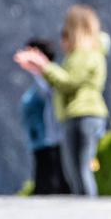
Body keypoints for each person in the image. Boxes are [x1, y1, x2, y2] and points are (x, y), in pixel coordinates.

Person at [14, 5, 109, 197]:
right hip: (77, 115)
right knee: (74, 171)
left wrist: (44, 66)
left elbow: (68, 81)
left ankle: (88, 209)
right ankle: (83, 206)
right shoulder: (82, 55)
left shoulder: (86, 54)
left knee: (81, 169)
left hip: (83, 114)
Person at [16, 38, 70, 195]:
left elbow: (49, 93)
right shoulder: (38, 81)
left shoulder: (50, 78)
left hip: (52, 139)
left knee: (53, 184)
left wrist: (38, 66)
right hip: (40, 141)